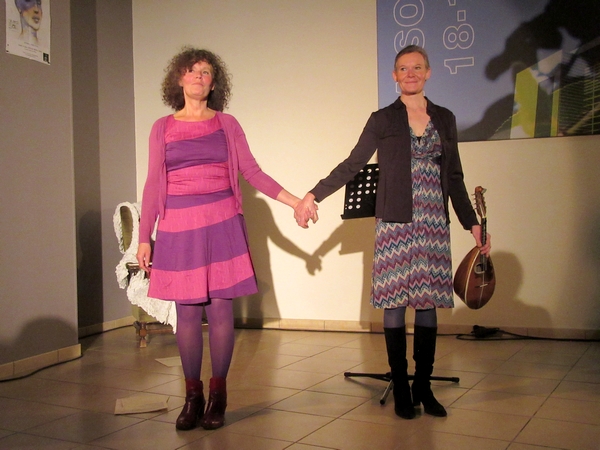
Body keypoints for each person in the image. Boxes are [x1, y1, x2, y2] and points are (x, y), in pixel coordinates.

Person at [296, 45, 491, 419]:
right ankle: (401, 385)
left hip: (434, 219)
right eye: (404, 68)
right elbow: (352, 164)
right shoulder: (383, 119)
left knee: (428, 302)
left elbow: (454, 176)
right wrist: (312, 194)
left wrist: (472, 223)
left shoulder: (445, 118)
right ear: (394, 76)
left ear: (429, 72)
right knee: (395, 303)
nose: (411, 73)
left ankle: (424, 385)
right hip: (395, 221)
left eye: (418, 67)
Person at [137, 47, 313, 431]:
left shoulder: (227, 125)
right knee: (186, 312)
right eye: (192, 70)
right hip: (178, 227)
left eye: (206, 72)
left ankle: (218, 396)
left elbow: (252, 171)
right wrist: (144, 236)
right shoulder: (161, 128)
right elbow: (153, 183)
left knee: (219, 310)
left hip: (221, 223)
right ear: (179, 79)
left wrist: (295, 201)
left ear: (214, 83)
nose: (199, 76)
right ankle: (192, 396)